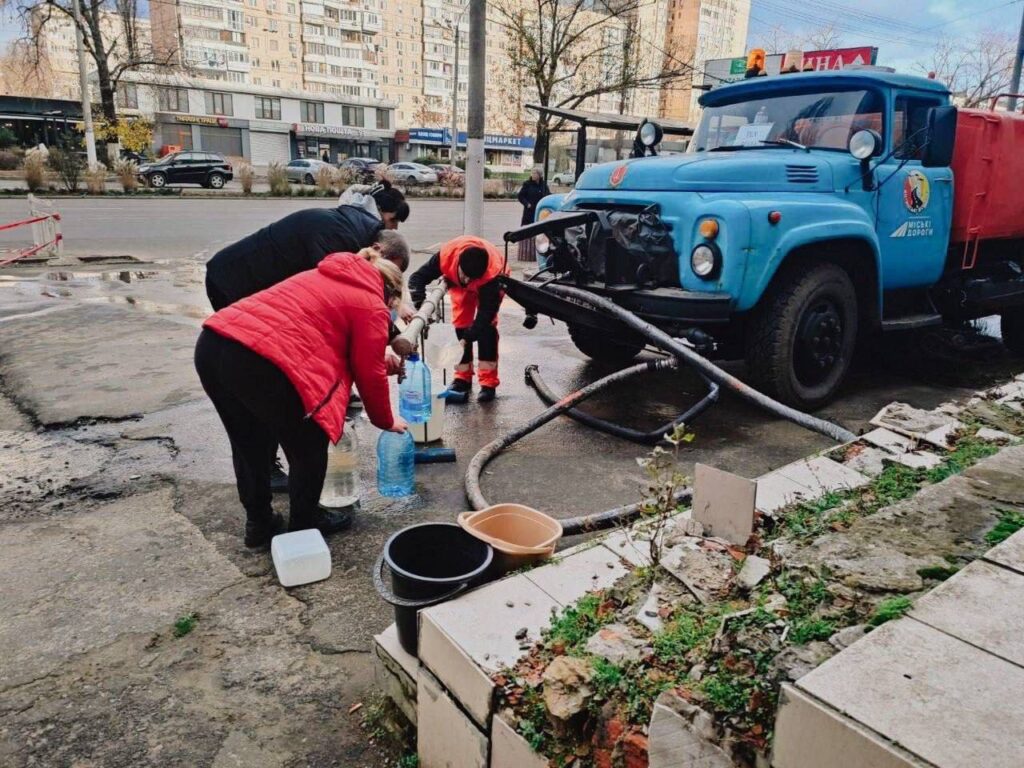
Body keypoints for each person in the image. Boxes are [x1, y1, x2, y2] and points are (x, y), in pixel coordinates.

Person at [195, 251, 409, 548]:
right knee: (309, 446)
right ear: (390, 293)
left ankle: (259, 524)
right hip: (260, 359)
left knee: (248, 442)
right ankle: (303, 529)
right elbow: (368, 372)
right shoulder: (371, 302)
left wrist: (377, 359)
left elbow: (322, 338)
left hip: (214, 343)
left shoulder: (322, 275)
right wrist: (385, 420)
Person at [205, 183, 410, 310]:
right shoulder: (346, 236)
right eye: (393, 220)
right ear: (380, 211)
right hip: (232, 282)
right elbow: (338, 295)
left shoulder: (349, 223)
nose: (394, 228)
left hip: (237, 279)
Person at [408, 236, 508, 402]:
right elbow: (416, 279)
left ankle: (488, 383)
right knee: (460, 325)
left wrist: (468, 338)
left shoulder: (492, 274)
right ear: (458, 265)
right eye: (465, 276)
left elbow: (485, 315)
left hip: (489, 284)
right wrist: (422, 306)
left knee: (487, 331)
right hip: (458, 285)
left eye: (471, 278)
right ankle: (462, 378)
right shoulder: (445, 257)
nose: (468, 281)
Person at [516, 169, 550, 262]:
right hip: (529, 212)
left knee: (539, 230)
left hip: (540, 212)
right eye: (532, 173)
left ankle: (539, 252)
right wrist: (527, 204)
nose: (533, 175)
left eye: (535, 173)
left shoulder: (543, 185)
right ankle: (527, 253)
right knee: (528, 229)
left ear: (540, 175)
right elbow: (520, 196)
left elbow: (548, 195)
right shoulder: (527, 184)